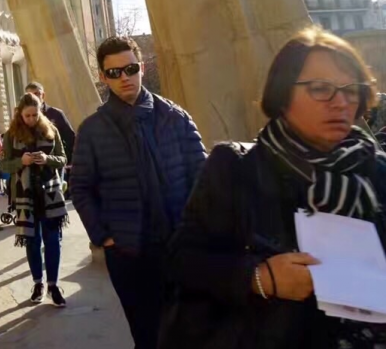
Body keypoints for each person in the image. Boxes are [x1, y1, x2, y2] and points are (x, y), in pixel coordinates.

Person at [160, 28, 386, 349]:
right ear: (282, 95)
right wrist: (259, 278)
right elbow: (181, 261)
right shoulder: (236, 169)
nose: (341, 103)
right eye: (321, 89)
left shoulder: (376, 170)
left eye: (352, 90)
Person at [71, 36, 206, 349]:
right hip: (128, 252)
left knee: (190, 332)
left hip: (180, 246)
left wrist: (198, 229)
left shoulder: (175, 116)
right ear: (104, 77)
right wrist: (104, 236)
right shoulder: (92, 129)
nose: (124, 77)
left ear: (141, 67)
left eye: (130, 68)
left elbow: (202, 176)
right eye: (114, 72)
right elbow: (80, 187)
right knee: (147, 335)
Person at [2, 93, 69, 307]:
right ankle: (38, 283)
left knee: (53, 241)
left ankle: (53, 285)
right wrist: (20, 161)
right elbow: (3, 166)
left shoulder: (51, 130)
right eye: (27, 115)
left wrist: (47, 159)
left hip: (50, 193)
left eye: (34, 114)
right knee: (32, 241)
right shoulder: (11, 135)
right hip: (25, 194)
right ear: (19, 114)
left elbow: (63, 159)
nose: (31, 119)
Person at [26, 82, 76, 197]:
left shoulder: (55, 114)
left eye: (37, 94)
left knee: (55, 198)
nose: (34, 97)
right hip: (31, 166)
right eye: (30, 95)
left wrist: (65, 159)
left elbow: (70, 137)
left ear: (43, 95)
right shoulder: (22, 117)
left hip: (54, 164)